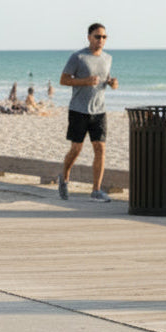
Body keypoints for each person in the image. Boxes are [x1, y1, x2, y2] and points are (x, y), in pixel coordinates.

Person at [58, 23, 118, 202]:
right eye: (97, 36)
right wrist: (85, 81)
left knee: (100, 148)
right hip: (78, 110)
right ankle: (65, 176)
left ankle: (96, 190)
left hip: (99, 110)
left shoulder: (108, 58)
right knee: (76, 149)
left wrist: (113, 83)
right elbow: (63, 80)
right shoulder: (78, 57)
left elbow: (106, 79)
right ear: (89, 37)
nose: (101, 40)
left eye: (104, 37)